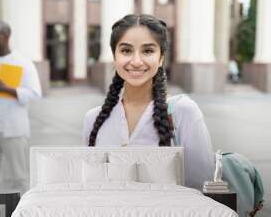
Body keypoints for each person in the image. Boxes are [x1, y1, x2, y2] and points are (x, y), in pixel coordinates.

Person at [83, 14, 214, 190]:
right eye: (126, 50)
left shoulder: (183, 112)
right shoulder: (93, 120)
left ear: (161, 58)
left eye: (148, 51)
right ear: (115, 56)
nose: (136, 61)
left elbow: (201, 186)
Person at [0, 20, 42, 192]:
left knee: (19, 178)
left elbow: (35, 93)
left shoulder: (23, 62)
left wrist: (8, 89)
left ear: (5, 36)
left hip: (14, 130)